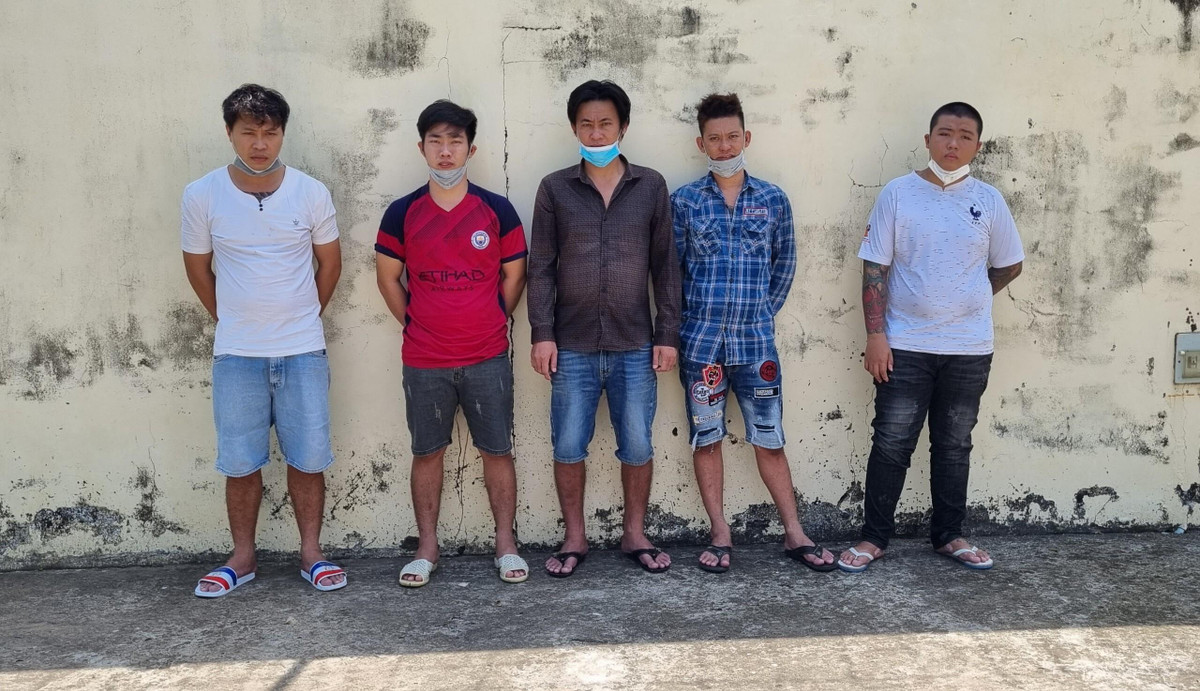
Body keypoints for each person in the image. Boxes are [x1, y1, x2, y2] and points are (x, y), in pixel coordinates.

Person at [839, 102, 1024, 573]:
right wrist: (876, 335)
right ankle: (874, 538)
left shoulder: (989, 201)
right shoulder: (898, 194)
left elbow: (1010, 264)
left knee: (954, 444)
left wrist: (970, 294)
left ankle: (949, 535)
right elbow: (875, 268)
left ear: (977, 146)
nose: (953, 143)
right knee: (892, 442)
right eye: (944, 133)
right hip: (904, 345)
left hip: (968, 348)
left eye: (965, 136)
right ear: (928, 140)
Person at [183, 84, 345, 597]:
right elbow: (198, 268)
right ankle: (242, 557)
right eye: (249, 132)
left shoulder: (310, 192)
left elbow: (330, 264)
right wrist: (231, 318)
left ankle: (311, 554)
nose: (260, 143)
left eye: (270, 133)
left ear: (282, 134)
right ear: (229, 132)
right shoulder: (202, 194)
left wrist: (302, 316)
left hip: (302, 350)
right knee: (240, 462)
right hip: (236, 355)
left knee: (309, 458)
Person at [671, 93, 835, 574]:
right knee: (707, 438)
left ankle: (795, 532)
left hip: (756, 346)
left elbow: (785, 266)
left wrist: (759, 313)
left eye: (732, 137)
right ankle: (720, 533)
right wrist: (687, 321)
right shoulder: (683, 202)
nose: (724, 147)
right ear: (701, 143)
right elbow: (670, 274)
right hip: (701, 346)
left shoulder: (772, 200)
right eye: (714, 139)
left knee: (769, 438)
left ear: (746, 137)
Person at [527, 80, 681, 577]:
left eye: (606, 124)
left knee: (636, 444)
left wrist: (667, 334)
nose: (596, 134)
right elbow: (541, 266)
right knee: (568, 445)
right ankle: (575, 538)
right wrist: (541, 332)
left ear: (623, 127)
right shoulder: (555, 189)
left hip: (635, 343)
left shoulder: (650, 187)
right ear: (574, 128)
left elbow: (666, 266)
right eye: (587, 125)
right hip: (570, 344)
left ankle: (634, 534)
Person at [375, 100, 529, 587]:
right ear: (421, 148)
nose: (446, 152)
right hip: (424, 359)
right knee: (427, 452)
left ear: (471, 149)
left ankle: (505, 545)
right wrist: (416, 322)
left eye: (455, 142)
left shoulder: (497, 210)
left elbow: (515, 276)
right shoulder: (402, 213)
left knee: (497, 450)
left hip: (487, 356)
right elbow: (388, 278)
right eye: (436, 142)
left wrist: (492, 319)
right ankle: (427, 548)